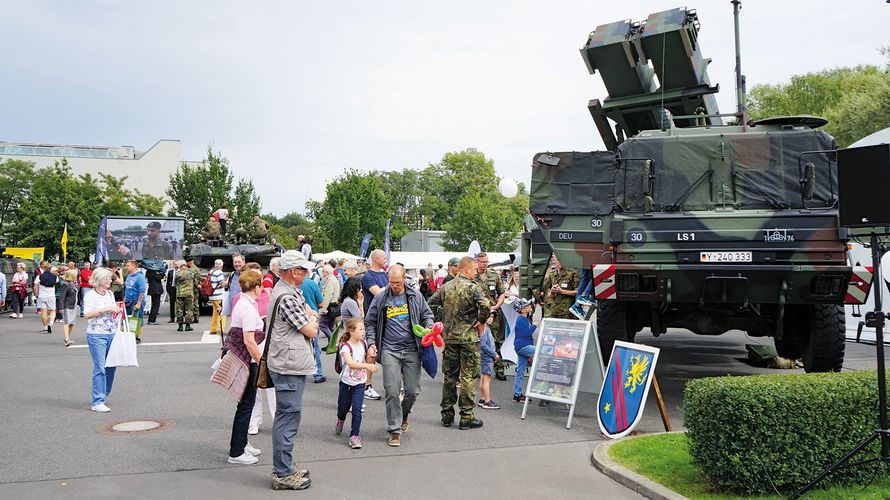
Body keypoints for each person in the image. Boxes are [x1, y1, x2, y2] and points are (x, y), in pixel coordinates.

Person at [365, 264, 434, 447]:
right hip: (390, 350)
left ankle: (404, 413)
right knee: (392, 390)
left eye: (397, 282)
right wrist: (372, 343)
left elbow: (427, 315)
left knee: (412, 391)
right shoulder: (381, 296)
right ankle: (394, 430)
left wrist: (428, 326)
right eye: (391, 282)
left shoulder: (414, 295)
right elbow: (370, 321)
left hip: (412, 349)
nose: (394, 286)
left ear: (404, 278)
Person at [266, 250, 316, 490]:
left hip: (287, 362)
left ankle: (284, 467)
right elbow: (311, 329)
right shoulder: (287, 297)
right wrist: (313, 320)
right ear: (294, 271)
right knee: (287, 417)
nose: (306, 273)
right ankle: (283, 472)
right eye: (304, 270)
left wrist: (311, 318)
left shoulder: (286, 292)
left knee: (287, 416)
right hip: (287, 364)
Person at [428, 257, 489, 430]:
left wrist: (439, 322)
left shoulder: (446, 288)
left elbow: (429, 305)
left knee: (449, 377)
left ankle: (447, 415)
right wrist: (481, 320)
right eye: (475, 269)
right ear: (468, 269)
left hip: (450, 338)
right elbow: (485, 305)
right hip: (469, 338)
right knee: (468, 377)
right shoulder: (473, 288)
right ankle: (466, 416)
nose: (476, 272)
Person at [224, 269, 266, 465]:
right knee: (246, 405)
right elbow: (249, 341)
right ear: (256, 287)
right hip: (249, 361)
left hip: (247, 359)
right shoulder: (247, 307)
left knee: (246, 405)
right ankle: (237, 451)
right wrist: (261, 362)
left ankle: (242, 443)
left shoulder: (243, 303)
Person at [335, 318, 378, 449]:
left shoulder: (364, 344)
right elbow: (351, 363)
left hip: (360, 383)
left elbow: (367, 356)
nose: (363, 332)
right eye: (360, 329)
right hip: (346, 383)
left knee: (357, 409)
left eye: (364, 329)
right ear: (351, 332)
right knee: (343, 408)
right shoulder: (345, 347)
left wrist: (371, 354)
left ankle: (354, 435)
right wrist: (367, 366)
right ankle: (340, 419)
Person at [83, 267, 121, 412]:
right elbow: (87, 314)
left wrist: (116, 309)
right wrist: (105, 310)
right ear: (100, 280)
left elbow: (112, 310)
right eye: (108, 278)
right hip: (96, 334)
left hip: (111, 332)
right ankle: (97, 401)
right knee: (100, 367)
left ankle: (103, 393)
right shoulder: (90, 295)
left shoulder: (110, 293)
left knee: (111, 366)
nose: (111, 280)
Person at [359, 249, 388, 400]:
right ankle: (366, 385)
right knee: (372, 351)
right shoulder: (368, 276)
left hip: (387, 318)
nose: (386, 259)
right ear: (376, 259)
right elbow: (379, 294)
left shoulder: (385, 275)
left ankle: (392, 384)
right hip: (374, 319)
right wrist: (393, 286)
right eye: (383, 257)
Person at [474, 252, 507, 381]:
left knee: (495, 340)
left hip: (493, 312)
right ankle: (477, 369)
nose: (485, 264)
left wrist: (496, 306)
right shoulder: (472, 276)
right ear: (477, 262)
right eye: (482, 262)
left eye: (486, 261)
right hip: (477, 314)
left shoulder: (493, 275)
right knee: (478, 341)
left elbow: (502, 293)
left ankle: (499, 368)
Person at [300, 268, 326, 384]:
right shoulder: (312, 284)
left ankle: (301, 371)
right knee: (315, 347)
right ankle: (318, 373)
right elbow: (321, 303)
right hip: (312, 318)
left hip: (297, 318)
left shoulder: (291, 285)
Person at [511, 299, 537, 403]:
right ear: (522, 310)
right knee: (541, 351)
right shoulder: (521, 320)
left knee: (520, 371)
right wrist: (535, 325)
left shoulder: (523, 319)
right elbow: (526, 333)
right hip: (523, 346)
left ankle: (517, 394)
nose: (530, 305)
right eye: (527, 305)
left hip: (521, 347)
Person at [123, 260, 146, 343]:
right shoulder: (129, 276)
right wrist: (125, 299)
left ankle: (137, 337)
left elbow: (142, 291)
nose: (126, 267)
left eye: (128, 265)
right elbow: (127, 289)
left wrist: (139, 303)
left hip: (136, 301)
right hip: (128, 301)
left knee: (137, 319)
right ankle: (130, 335)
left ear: (133, 266)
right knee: (129, 319)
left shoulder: (139, 277)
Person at [478, 325, 500, 409]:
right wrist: (494, 354)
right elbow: (483, 345)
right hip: (487, 356)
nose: (491, 319)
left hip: (486, 356)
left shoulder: (485, 327)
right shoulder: (483, 328)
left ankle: (482, 398)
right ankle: (487, 400)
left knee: (484, 377)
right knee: (487, 378)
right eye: (489, 317)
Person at [222, 254, 245, 330]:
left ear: (244, 262)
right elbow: (229, 292)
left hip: (245, 311)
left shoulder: (248, 275)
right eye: (235, 262)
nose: (237, 264)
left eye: (239, 262)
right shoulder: (232, 275)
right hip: (234, 311)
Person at [318, 265, 341, 342]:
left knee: (322, 324)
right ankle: (331, 344)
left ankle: (332, 342)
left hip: (330, 306)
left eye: (323, 271)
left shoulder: (330, 280)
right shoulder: (333, 279)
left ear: (326, 272)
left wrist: (323, 309)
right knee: (331, 326)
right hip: (334, 305)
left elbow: (328, 296)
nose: (322, 273)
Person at [34, 262, 57, 333]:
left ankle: (45, 327)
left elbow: (35, 286)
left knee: (43, 311)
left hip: (42, 296)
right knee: (53, 310)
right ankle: (51, 323)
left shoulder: (39, 276)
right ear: (50, 269)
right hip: (51, 296)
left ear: (44, 268)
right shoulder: (55, 277)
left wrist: (36, 294)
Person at [175, 261, 196, 331]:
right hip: (188, 294)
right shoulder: (191, 274)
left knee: (179, 310)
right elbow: (195, 282)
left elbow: (175, 283)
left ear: (181, 268)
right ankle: (188, 325)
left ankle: (180, 326)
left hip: (179, 294)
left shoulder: (178, 274)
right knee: (189, 310)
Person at [60, 269, 79, 347]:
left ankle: (67, 337)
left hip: (73, 305)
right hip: (67, 305)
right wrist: (61, 307)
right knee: (67, 322)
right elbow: (62, 297)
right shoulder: (66, 284)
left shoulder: (73, 284)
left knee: (71, 323)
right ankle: (67, 339)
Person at [209, 259, 227, 334]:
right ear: (220, 265)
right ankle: (221, 329)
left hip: (212, 295)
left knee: (215, 312)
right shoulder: (219, 272)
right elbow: (222, 284)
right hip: (218, 296)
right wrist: (228, 280)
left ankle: (213, 329)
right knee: (222, 312)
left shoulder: (211, 271)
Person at [187, 257, 202, 324]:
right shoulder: (192, 269)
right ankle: (194, 317)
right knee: (193, 303)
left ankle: (195, 317)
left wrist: (197, 284)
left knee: (193, 303)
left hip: (193, 288)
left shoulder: (194, 269)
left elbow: (198, 278)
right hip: (191, 288)